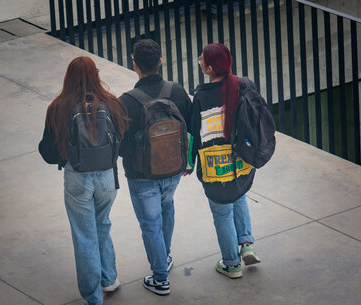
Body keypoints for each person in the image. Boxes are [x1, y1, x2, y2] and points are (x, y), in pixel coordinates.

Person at [38, 56, 128, 305]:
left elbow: (48, 152)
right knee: (102, 224)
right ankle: (109, 279)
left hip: (77, 177)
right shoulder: (111, 103)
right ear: (96, 74)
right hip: (107, 177)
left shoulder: (58, 107)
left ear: (68, 77)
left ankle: (93, 296)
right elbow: (122, 139)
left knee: (84, 234)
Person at [119, 39, 192, 295]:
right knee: (167, 206)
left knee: (150, 224)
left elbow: (121, 144)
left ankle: (160, 278)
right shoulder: (177, 92)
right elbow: (193, 128)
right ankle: (165, 256)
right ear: (160, 61)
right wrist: (188, 161)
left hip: (141, 176)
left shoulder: (126, 101)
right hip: (174, 170)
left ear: (134, 65)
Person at [189, 43, 261, 279]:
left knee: (222, 213)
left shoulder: (201, 96)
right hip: (242, 161)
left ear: (209, 68)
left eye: (201, 59)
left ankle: (231, 264)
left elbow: (194, 134)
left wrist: (189, 163)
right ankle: (247, 244)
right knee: (239, 195)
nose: (199, 60)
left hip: (215, 168)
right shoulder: (242, 85)